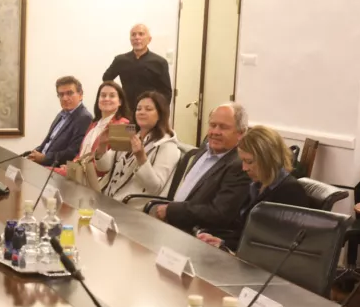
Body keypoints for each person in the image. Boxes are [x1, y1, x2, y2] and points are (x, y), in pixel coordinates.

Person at [197, 126, 310, 251]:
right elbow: (245, 233)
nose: (244, 168)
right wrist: (221, 241)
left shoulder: (290, 192)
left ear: (268, 159)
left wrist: (226, 244)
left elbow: (272, 245)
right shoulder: (257, 185)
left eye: (249, 162)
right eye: (243, 161)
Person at [154, 103, 251, 233]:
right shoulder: (205, 148)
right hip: (172, 224)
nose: (215, 132)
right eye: (212, 125)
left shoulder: (239, 165)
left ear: (241, 133)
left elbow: (219, 213)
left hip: (196, 234)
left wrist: (172, 210)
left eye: (223, 127)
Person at [96, 91, 181, 205]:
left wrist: (141, 157)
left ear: (160, 114)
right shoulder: (130, 134)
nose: (141, 112)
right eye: (138, 109)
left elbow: (155, 187)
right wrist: (102, 145)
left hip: (131, 206)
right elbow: (103, 167)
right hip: (109, 198)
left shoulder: (167, 145)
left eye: (148, 109)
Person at [52, 81, 130, 176]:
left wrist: (75, 170)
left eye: (112, 96)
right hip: (79, 174)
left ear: (120, 102)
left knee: (47, 172)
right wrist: (71, 166)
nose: (106, 99)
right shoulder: (94, 123)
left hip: (97, 179)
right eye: (103, 95)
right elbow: (82, 154)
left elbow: (118, 165)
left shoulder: (124, 125)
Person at [26, 76, 94, 167]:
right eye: (61, 94)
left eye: (69, 93)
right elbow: (48, 142)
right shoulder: (61, 114)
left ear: (80, 95)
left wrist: (44, 158)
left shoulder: (84, 118)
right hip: (42, 165)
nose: (65, 98)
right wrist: (33, 154)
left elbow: (73, 152)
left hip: (56, 169)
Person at [103, 24, 172, 111]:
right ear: (130, 39)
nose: (137, 37)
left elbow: (166, 93)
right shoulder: (120, 60)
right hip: (126, 109)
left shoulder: (159, 62)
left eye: (141, 34)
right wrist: (117, 95)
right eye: (133, 34)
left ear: (149, 39)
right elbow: (106, 78)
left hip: (149, 109)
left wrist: (160, 110)